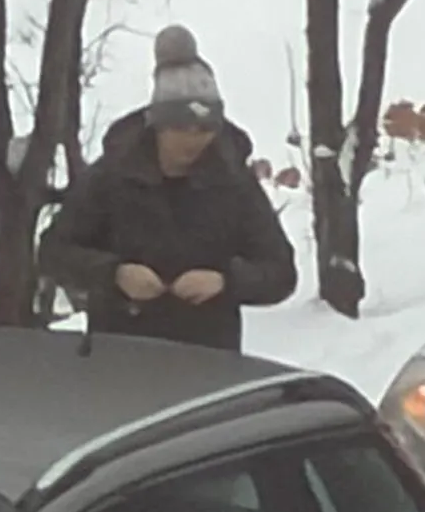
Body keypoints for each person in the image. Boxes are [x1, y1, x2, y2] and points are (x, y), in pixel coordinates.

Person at [38, 25, 297, 351]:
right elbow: (53, 251)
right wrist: (114, 274)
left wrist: (225, 281)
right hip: (120, 354)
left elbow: (280, 272)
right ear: (158, 124)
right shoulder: (112, 175)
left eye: (204, 130)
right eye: (181, 128)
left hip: (207, 359)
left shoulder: (233, 181)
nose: (193, 140)